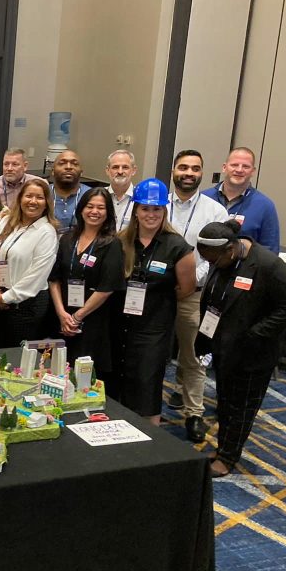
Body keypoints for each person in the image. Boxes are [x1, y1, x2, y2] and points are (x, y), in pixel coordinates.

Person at [194, 219, 286, 476]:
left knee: (242, 408)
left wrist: (256, 333)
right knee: (225, 403)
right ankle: (223, 449)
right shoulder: (221, 259)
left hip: (253, 353)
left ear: (230, 250)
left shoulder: (267, 265)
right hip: (224, 347)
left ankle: (228, 458)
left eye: (213, 261)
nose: (211, 265)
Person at [110, 179, 195, 425]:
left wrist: (156, 302)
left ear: (164, 211)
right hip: (120, 324)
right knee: (118, 379)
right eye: (145, 208)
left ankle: (150, 439)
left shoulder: (177, 246)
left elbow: (186, 288)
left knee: (147, 382)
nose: (150, 214)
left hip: (154, 328)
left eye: (156, 209)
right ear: (136, 209)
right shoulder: (121, 241)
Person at [165, 150, 230, 440]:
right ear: (173, 171)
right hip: (154, 292)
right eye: (183, 167)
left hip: (194, 295)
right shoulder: (157, 204)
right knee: (150, 350)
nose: (188, 173)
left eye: (195, 168)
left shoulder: (214, 211)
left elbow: (217, 257)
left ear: (202, 173)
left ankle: (194, 414)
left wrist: (189, 283)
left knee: (194, 354)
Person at [48, 188, 125, 380]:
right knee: (57, 371)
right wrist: (61, 313)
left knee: (84, 377)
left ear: (108, 213)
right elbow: (54, 278)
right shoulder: (67, 239)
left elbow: (106, 288)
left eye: (101, 207)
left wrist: (77, 317)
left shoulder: (111, 244)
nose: (94, 211)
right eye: (90, 206)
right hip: (62, 316)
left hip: (93, 320)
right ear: (81, 209)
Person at [0, 177, 59, 349]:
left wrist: (5, 298)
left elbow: (36, 277)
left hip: (26, 306)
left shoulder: (46, 232)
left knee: (16, 358)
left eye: (39, 197)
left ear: (47, 203)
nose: (33, 201)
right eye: (28, 196)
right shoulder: (6, 221)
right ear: (20, 198)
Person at [202, 147, 280, 252]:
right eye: (234, 165)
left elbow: (270, 251)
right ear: (224, 167)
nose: (239, 170)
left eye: (246, 166)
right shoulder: (203, 198)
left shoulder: (265, 206)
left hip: (242, 267)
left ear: (253, 171)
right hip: (202, 265)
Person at [50, 150, 89, 234]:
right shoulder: (43, 193)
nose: (68, 167)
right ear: (52, 171)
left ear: (81, 172)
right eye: (62, 163)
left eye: (74, 164)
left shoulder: (91, 195)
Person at [105, 150, 137, 232]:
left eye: (125, 167)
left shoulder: (141, 198)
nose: (120, 171)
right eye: (115, 167)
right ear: (107, 170)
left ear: (134, 170)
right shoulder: (98, 196)